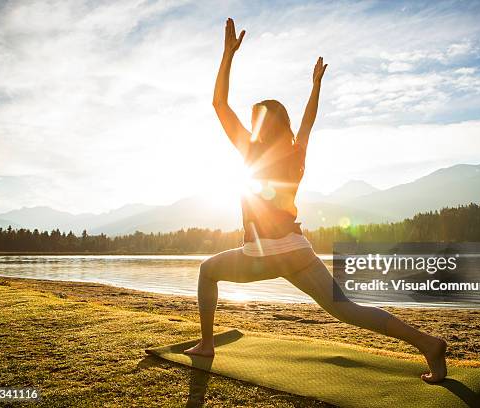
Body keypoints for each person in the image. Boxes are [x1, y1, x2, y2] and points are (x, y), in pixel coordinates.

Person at [184, 18, 447, 383]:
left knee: (207, 271)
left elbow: (218, 103)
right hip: (297, 249)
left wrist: (227, 55)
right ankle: (427, 343)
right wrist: (315, 86)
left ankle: (207, 345)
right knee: (347, 309)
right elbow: (307, 122)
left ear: (262, 125)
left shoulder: (250, 150)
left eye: (253, 119)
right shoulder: (296, 155)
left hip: (264, 254)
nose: (248, 124)